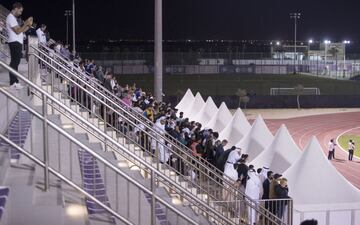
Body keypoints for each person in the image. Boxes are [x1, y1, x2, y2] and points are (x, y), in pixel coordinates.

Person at [6, 2, 33, 89]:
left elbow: (21, 30)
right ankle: (12, 82)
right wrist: (26, 23)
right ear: (16, 8)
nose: (20, 13)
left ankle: (15, 81)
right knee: (14, 62)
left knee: (16, 62)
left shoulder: (13, 18)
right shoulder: (10, 17)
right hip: (14, 42)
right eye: (20, 11)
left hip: (17, 42)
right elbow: (17, 31)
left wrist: (28, 25)